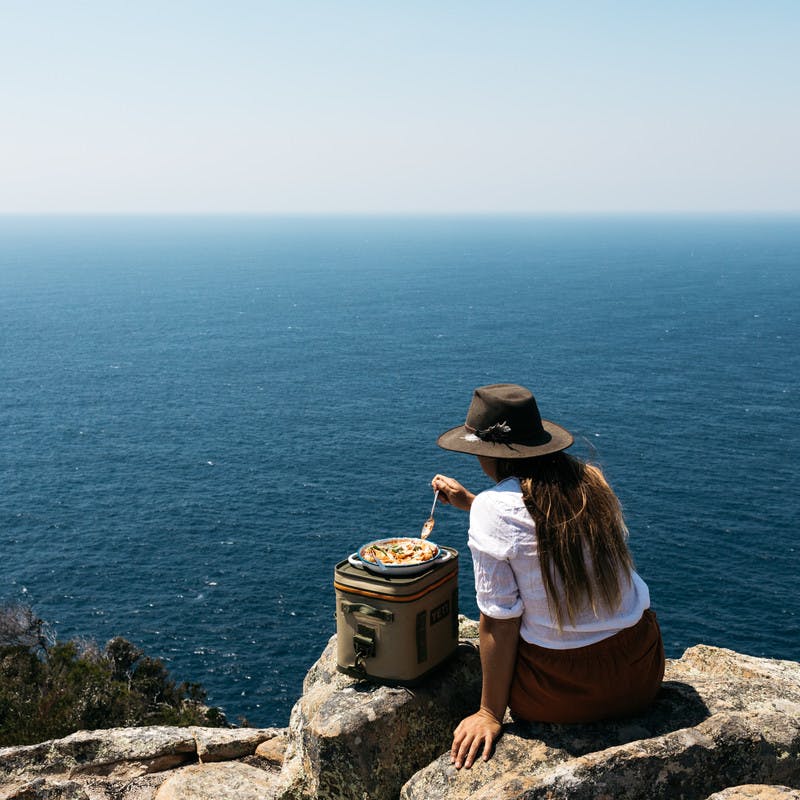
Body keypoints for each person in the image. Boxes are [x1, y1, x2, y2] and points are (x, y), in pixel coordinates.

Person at [431, 383, 664, 770]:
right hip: (641, 671)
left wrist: (489, 712)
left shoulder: (494, 509)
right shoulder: (590, 483)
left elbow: (498, 623)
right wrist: (472, 504)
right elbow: (546, 534)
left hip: (560, 692)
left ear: (490, 453)